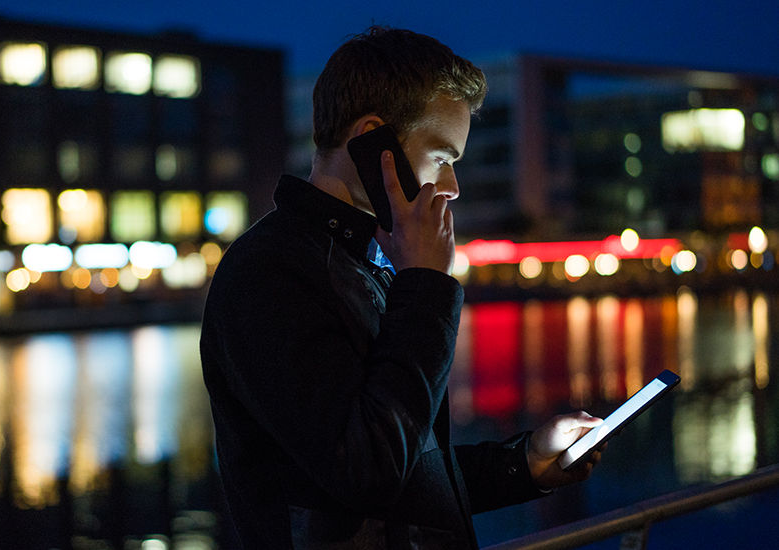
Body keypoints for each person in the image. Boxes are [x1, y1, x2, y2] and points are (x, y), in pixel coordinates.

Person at [200, 26, 603, 550]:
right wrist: (427, 284)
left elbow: (407, 467)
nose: (452, 187)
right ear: (375, 143)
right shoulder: (270, 273)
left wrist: (524, 463)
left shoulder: (365, 260)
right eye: (442, 158)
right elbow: (367, 473)